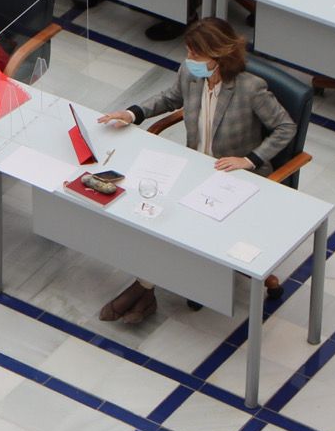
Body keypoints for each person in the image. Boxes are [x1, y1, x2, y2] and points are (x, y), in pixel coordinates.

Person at [94, 18, 295, 325]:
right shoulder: (190, 74)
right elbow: (168, 99)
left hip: (232, 177)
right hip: (195, 166)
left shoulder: (250, 89)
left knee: (176, 219)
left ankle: (143, 289)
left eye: (197, 55)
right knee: (153, 213)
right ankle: (145, 290)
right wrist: (133, 113)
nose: (190, 60)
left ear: (219, 56)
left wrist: (251, 159)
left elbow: (285, 127)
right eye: (189, 52)